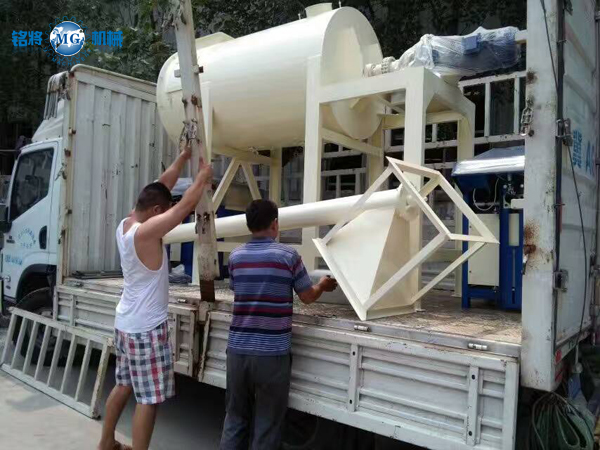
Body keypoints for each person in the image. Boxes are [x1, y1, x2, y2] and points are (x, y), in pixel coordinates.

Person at [98, 145, 213, 450]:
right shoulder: (145, 233)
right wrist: (202, 177)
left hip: (125, 324)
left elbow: (160, 186)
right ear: (155, 212)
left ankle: (106, 442)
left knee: (123, 384)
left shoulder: (126, 224)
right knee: (148, 399)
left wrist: (183, 158)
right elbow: (182, 208)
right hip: (147, 329)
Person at [220, 199, 338, 450]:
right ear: (275, 224)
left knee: (235, 419)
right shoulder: (288, 256)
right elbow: (307, 297)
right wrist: (323, 286)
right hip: (271, 355)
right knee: (267, 423)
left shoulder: (235, 257)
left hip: (237, 352)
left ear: (249, 225)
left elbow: (238, 289)